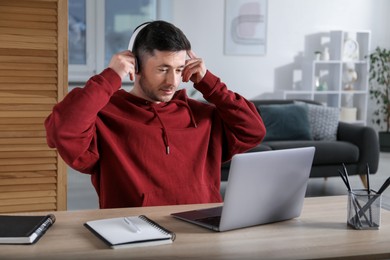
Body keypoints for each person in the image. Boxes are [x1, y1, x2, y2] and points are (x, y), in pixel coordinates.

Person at [45, 20, 266, 209]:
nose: (173, 82)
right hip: (133, 235)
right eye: (162, 69)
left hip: (202, 233)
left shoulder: (202, 116)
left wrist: (210, 83)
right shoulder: (105, 116)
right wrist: (110, 77)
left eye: (179, 70)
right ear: (136, 66)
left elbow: (253, 131)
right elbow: (63, 129)